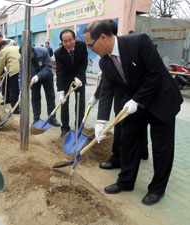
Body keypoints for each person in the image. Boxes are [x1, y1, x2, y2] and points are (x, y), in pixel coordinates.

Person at [83, 20, 183, 205]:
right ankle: (126, 181)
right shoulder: (105, 62)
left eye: (91, 45)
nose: (91, 50)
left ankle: (157, 189)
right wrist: (100, 122)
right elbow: (107, 90)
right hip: (134, 103)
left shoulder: (139, 42)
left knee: (161, 149)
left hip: (161, 100)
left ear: (103, 38)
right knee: (128, 141)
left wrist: (137, 100)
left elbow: (155, 74)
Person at [89, 19, 149, 170]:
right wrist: (100, 120)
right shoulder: (106, 58)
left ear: (106, 35)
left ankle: (140, 151)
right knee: (120, 123)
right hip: (121, 94)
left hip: (140, 94)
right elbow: (106, 84)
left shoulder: (131, 46)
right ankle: (118, 157)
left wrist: (136, 99)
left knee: (136, 124)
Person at [54, 29, 88, 137]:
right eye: (65, 41)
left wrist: (79, 77)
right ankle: (65, 127)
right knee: (64, 104)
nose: (68, 44)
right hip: (66, 80)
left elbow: (84, 63)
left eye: (70, 40)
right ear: (62, 42)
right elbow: (59, 72)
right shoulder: (58, 53)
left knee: (80, 104)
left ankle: (79, 128)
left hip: (79, 78)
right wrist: (60, 91)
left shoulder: (82, 46)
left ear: (75, 39)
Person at [19, 46, 60, 126]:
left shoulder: (43, 51)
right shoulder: (22, 59)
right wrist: (21, 89)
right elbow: (21, 75)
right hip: (33, 79)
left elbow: (48, 67)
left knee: (50, 97)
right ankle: (36, 119)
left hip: (47, 77)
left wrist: (38, 76)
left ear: (32, 52)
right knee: (35, 98)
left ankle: (52, 119)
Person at [0, 30, 17, 105]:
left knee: (13, 85)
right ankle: (6, 98)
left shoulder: (10, 42)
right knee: (5, 83)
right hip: (4, 67)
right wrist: (3, 70)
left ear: (0, 36)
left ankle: (13, 101)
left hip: (14, 66)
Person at [0, 40, 20, 113]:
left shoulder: (4, 50)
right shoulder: (17, 47)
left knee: (13, 90)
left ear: (2, 46)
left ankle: (15, 109)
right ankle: (22, 107)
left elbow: (0, 65)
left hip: (14, 71)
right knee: (21, 90)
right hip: (24, 70)